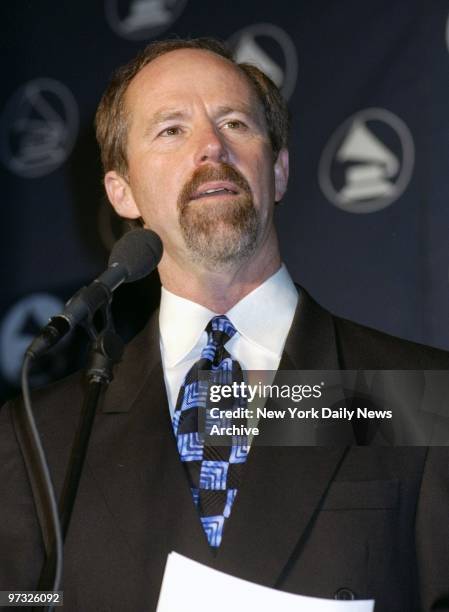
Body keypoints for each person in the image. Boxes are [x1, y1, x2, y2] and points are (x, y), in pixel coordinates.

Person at [1, 38, 449, 611]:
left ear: (279, 170)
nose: (211, 146)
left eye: (235, 123)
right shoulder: (41, 437)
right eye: (171, 130)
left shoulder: (420, 395)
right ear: (122, 191)